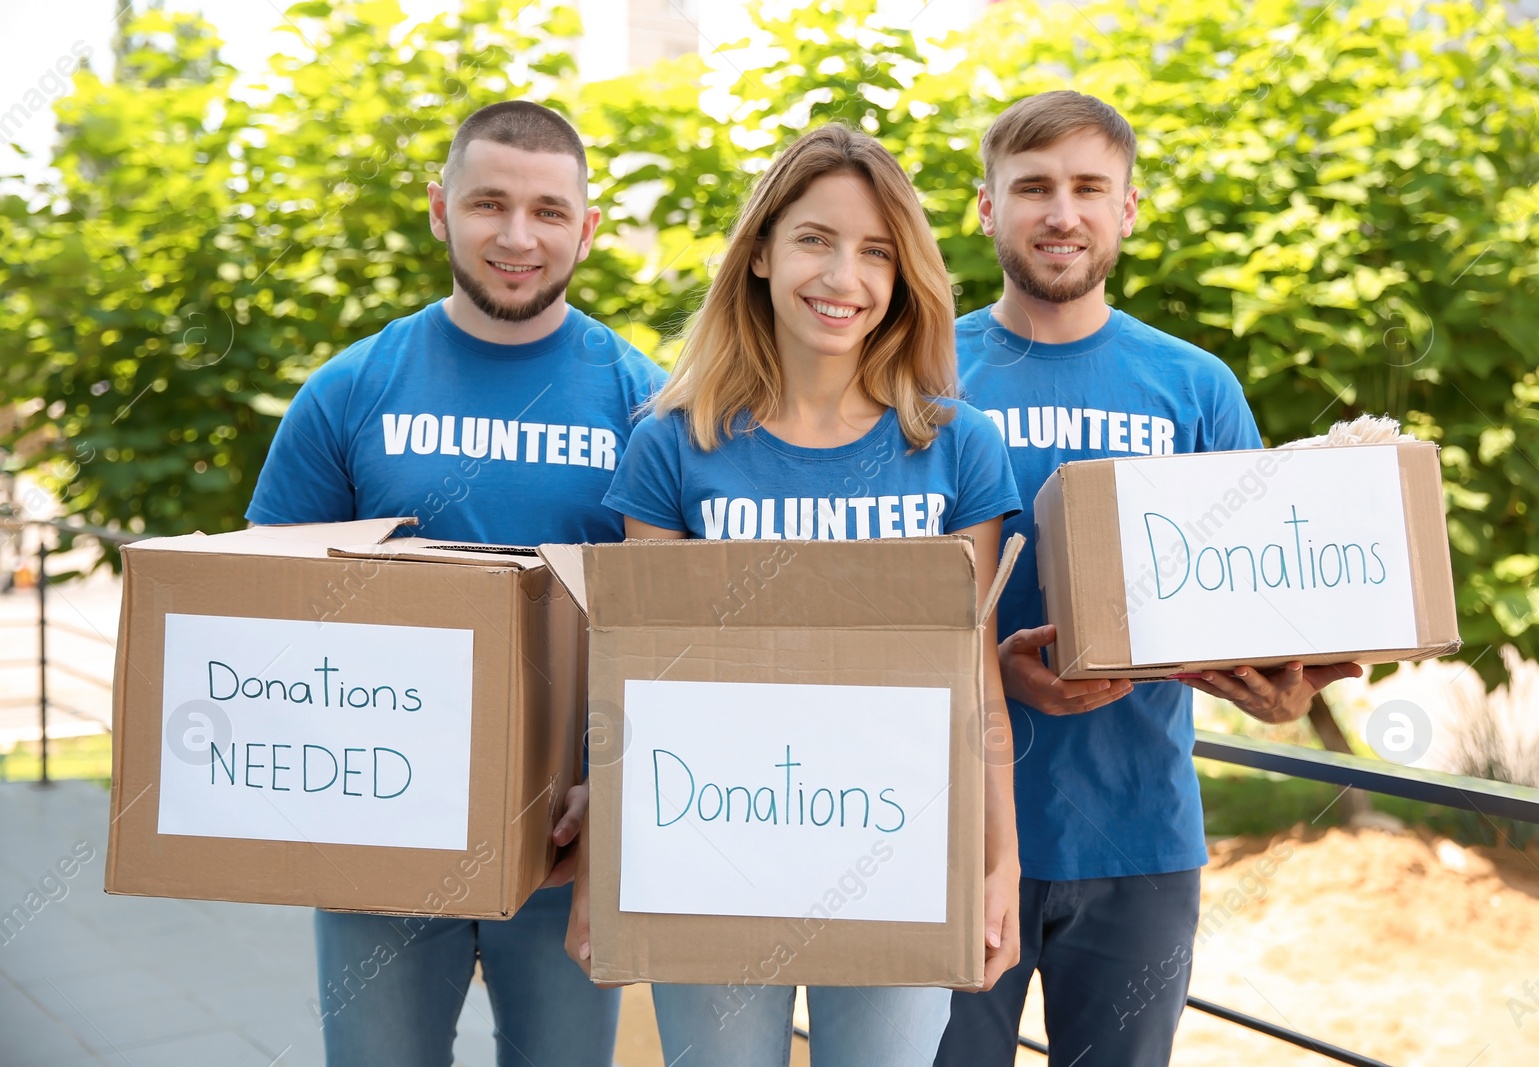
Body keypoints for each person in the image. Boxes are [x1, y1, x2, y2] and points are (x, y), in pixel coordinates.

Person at [578, 123, 1023, 1067]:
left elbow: (973, 677)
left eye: (876, 253)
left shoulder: (956, 446)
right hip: (714, 848)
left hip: (900, 849)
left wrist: (999, 860)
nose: (844, 277)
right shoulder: (673, 444)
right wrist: (603, 873)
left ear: (904, 278)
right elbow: (635, 682)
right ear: (762, 254)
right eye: (816, 239)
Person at [934, 91, 1362, 1067]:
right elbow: (876, 595)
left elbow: (1266, 590)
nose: (1061, 212)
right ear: (986, 207)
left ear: (1127, 209)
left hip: (1139, 835)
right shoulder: (922, 373)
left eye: (1089, 188)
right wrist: (994, 669)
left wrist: (1282, 681)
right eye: (1032, 186)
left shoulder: (1195, 385)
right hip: (950, 831)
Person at [246, 100, 666, 1067]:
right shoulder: (351, 389)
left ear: (588, 227)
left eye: (549, 211)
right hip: (376, 822)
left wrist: (607, 791)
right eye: (488, 203)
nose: (517, 237)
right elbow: (269, 611)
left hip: (566, 834)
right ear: (440, 209)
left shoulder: (645, 402)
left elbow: (667, 626)